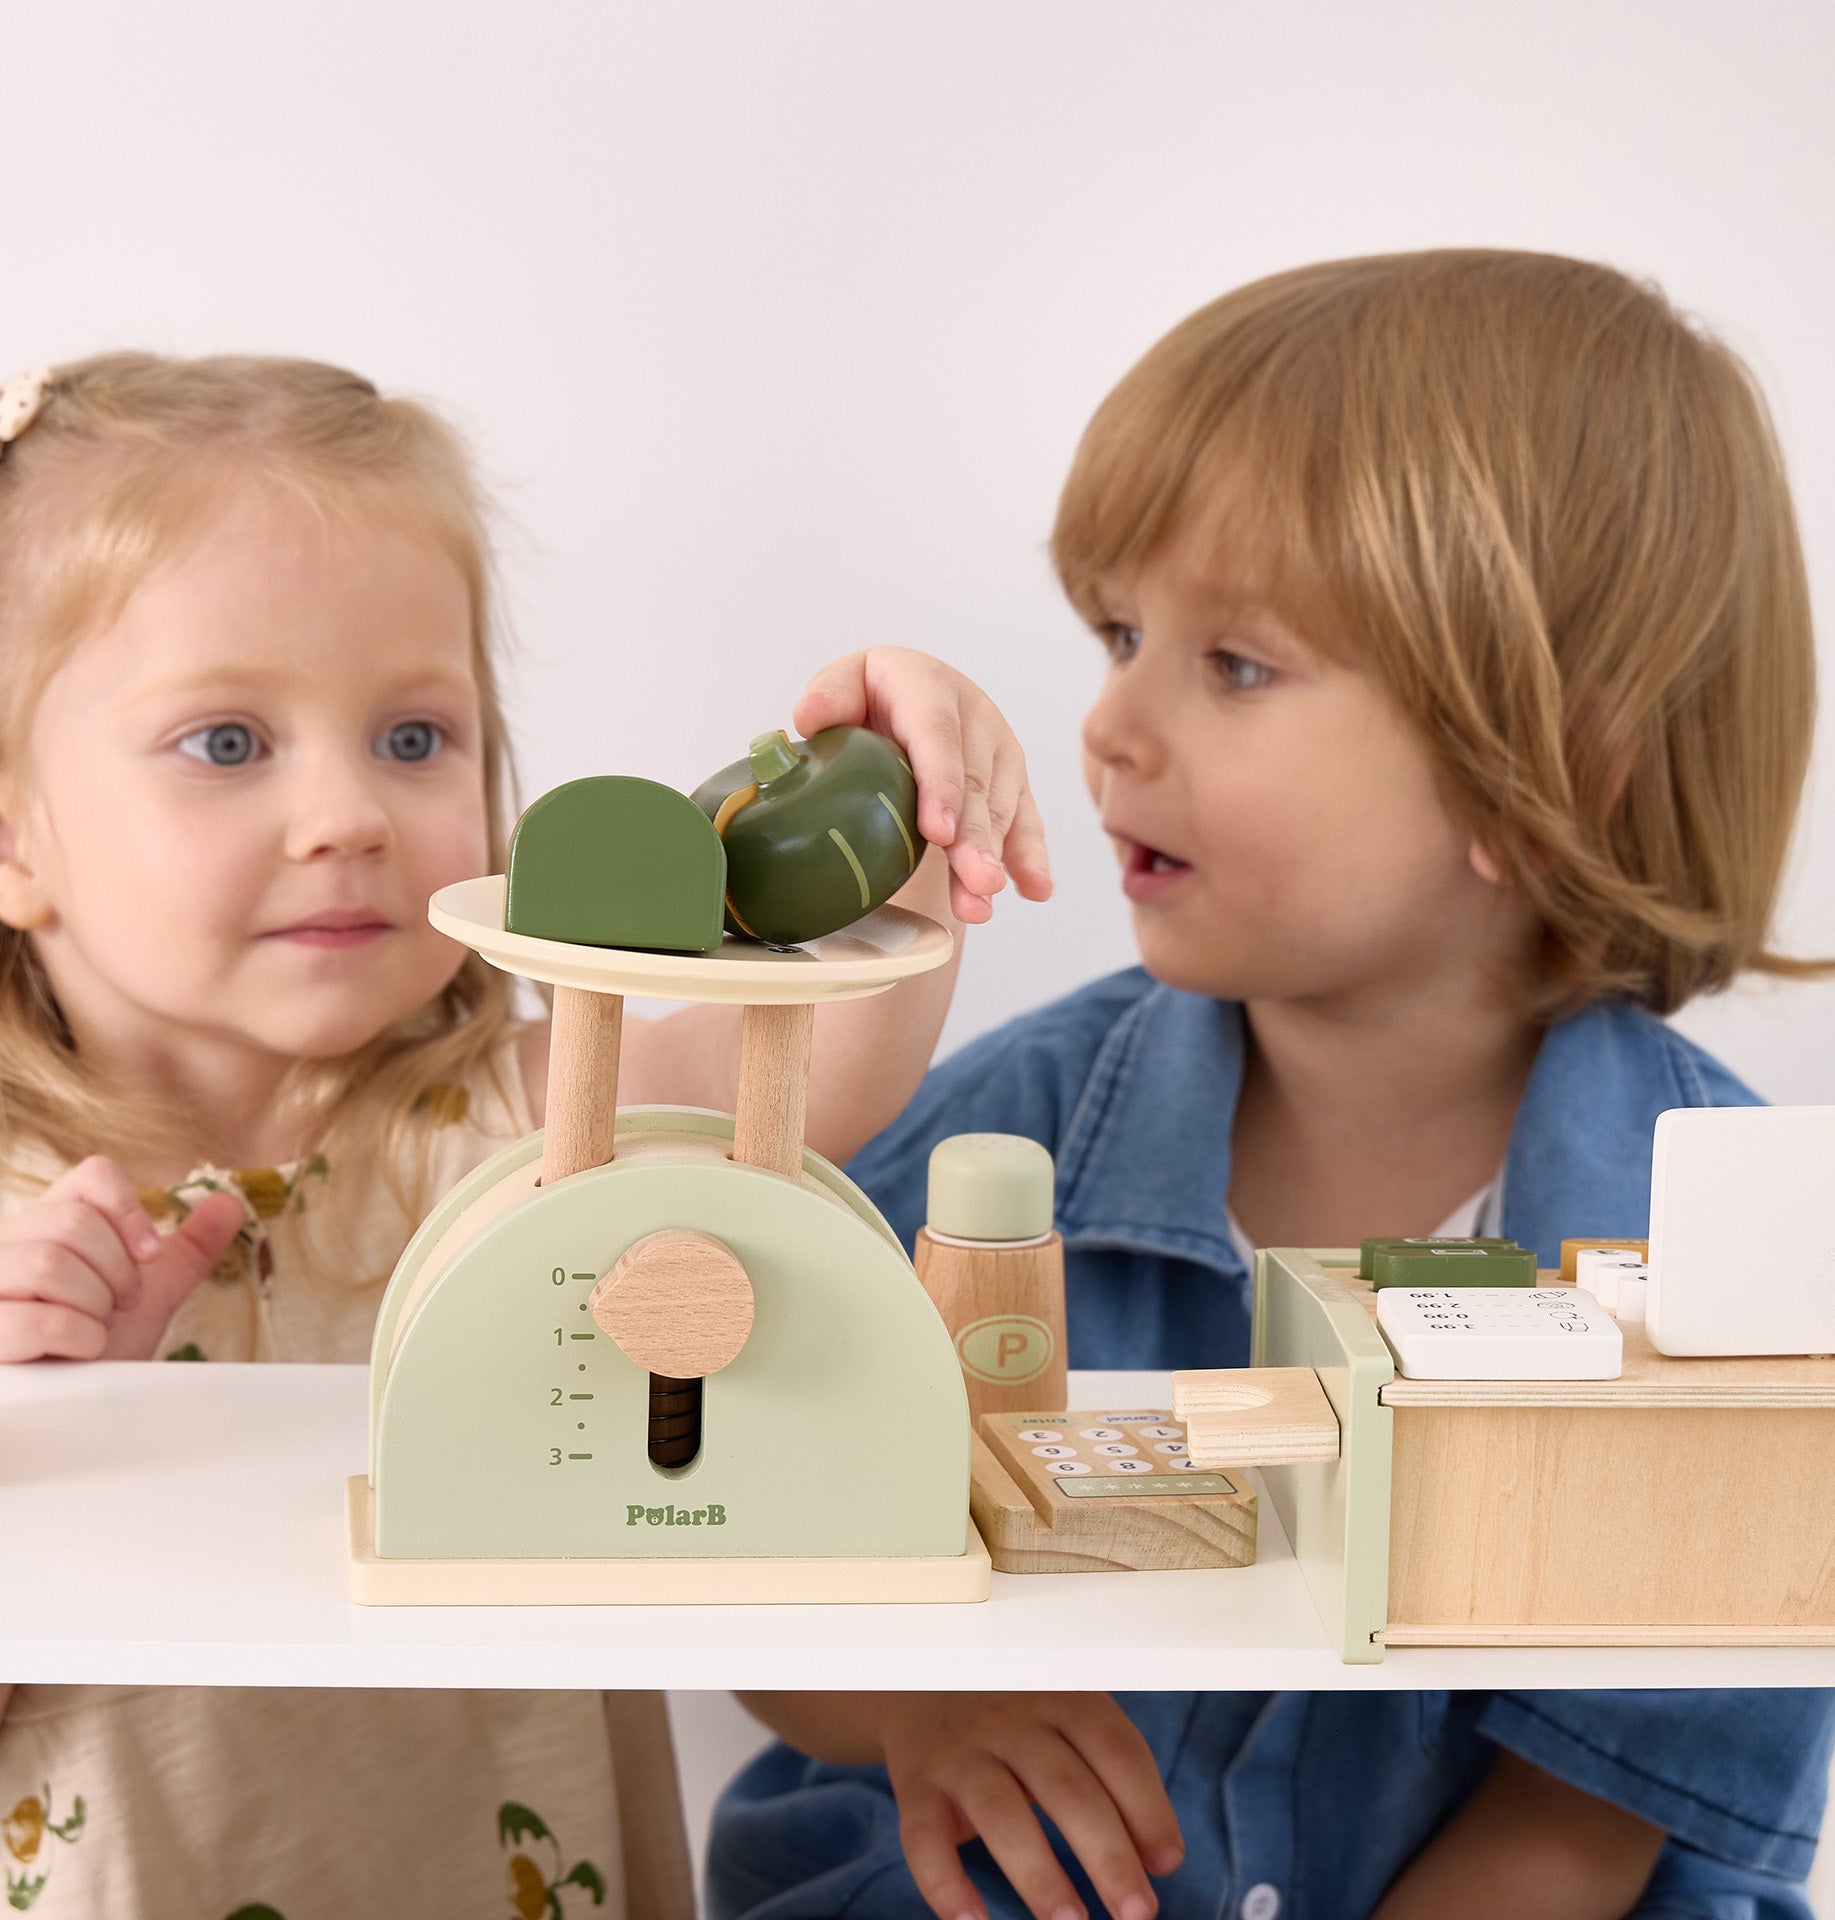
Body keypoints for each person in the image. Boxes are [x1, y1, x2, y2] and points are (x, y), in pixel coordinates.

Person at [709, 253, 1835, 1920]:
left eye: (1235, 663)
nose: (1108, 724)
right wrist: (912, 1704)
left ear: (1544, 769)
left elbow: (1576, 1832)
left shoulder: (1745, 1274)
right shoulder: (1000, 1141)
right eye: (1121, 635)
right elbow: (732, 1535)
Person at [0, 351, 1049, 1917]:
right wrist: (46, 1411)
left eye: (414, 738)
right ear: (11, 831)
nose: (348, 813)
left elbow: (804, 1068)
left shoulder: (525, 1120)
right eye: (227, 742)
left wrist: (899, 805)